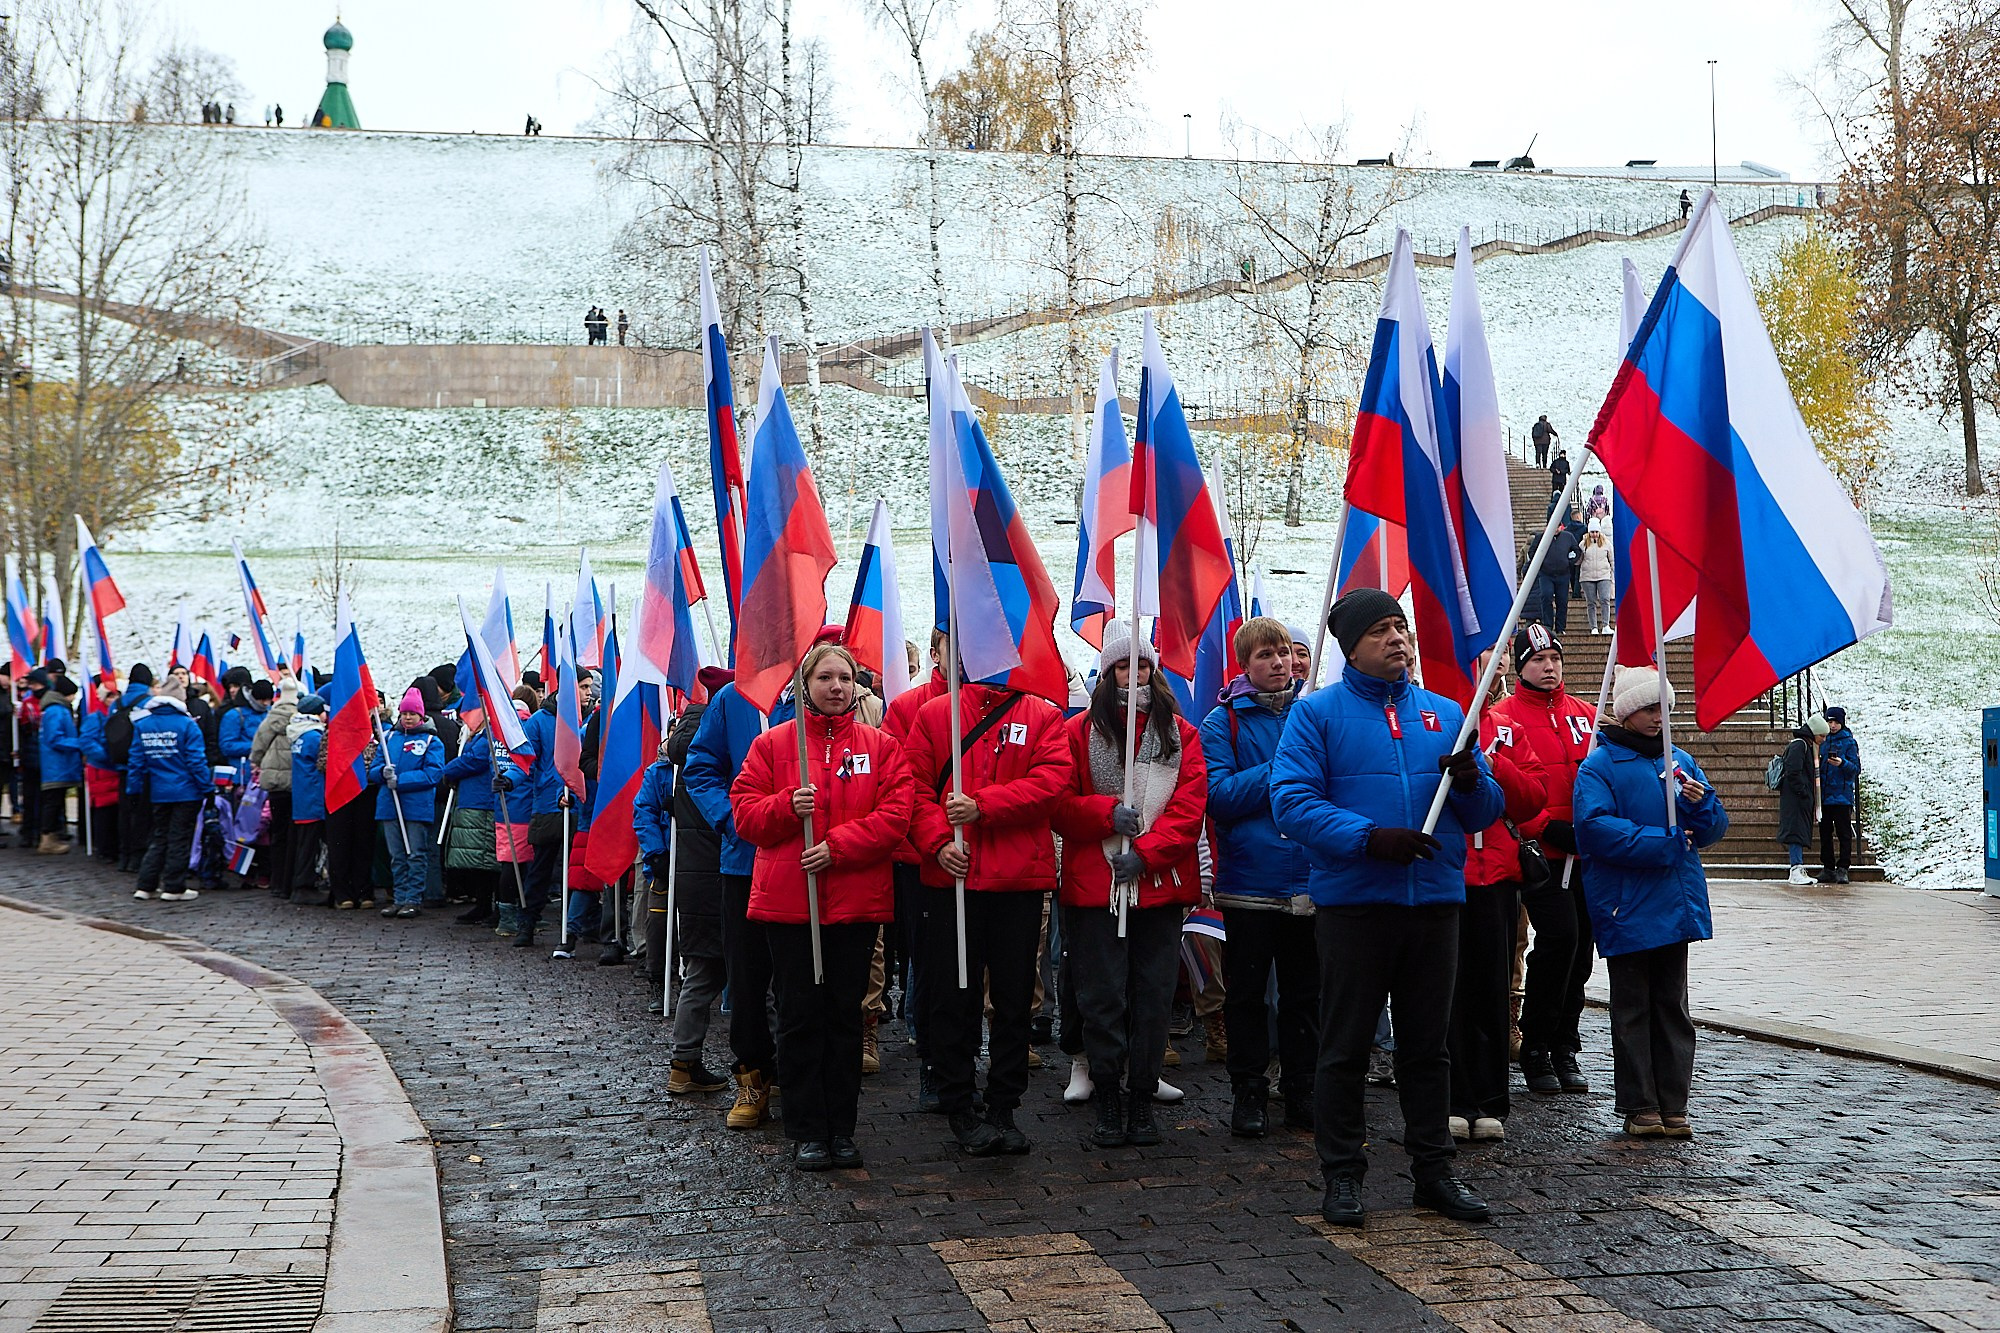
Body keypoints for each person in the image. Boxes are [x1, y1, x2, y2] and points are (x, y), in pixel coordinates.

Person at [1271, 588, 1504, 1228]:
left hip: (1433, 904)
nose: (1397, 638)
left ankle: (1434, 1172)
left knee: (1428, 1050)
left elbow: (1485, 815)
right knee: (1344, 1049)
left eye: (1400, 627)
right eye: (1379, 630)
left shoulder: (1446, 712)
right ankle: (1342, 1175)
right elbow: (1290, 802)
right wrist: (1368, 839)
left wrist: (1474, 780)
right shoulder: (1316, 715)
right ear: (1351, 646)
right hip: (1356, 908)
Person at [731, 643, 914, 1171]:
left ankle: (842, 1128)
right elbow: (745, 816)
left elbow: (895, 814)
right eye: (826, 677)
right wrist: (788, 806)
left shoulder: (881, 747)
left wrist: (840, 846)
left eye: (846, 678)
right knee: (798, 1017)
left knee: (844, 1017)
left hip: (855, 904)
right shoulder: (772, 746)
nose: (837, 687)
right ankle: (807, 1128)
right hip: (790, 905)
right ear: (805, 685)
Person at [903, 653, 1071, 1157]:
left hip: (1018, 880)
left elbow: (1052, 783)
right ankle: (958, 1102)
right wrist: (937, 842)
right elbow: (911, 790)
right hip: (951, 878)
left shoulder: (1042, 715)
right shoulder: (935, 715)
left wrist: (984, 805)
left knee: (1015, 999)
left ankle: (1004, 1102)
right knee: (953, 997)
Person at [1052, 628, 1206, 1150]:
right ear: (1108, 673)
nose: (1133, 675)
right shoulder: (1077, 732)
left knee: (1153, 994)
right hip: (1095, 887)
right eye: (1123, 666)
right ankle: (1109, 1095)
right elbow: (1059, 803)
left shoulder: (1181, 733)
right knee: (1100, 995)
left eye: (1141, 666)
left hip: (1157, 886)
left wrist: (1145, 852)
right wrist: (1103, 814)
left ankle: (1142, 1097)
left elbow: (1188, 808)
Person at [1574, 666, 1727, 1138]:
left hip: (1673, 905)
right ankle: (1640, 1103)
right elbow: (1595, 830)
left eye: (1663, 708)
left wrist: (1701, 807)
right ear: (1625, 713)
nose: (1658, 717)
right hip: (1627, 905)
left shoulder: (1678, 760)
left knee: (1672, 1007)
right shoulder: (1599, 766)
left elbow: (1714, 828)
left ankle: (1674, 1102)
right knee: (1633, 1006)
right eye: (1647, 708)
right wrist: (1664, 841)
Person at [1201, 616, 1317, 1138]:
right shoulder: (1221, 723)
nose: (1280, 664)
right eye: (1266, 656)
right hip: (1250, 881)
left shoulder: (1313, 714)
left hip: (1311, 880)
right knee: (1246, 995)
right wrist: (1279, 768)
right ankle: (1248, 1092)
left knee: (1304, 996)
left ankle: (1302, 1091)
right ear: (1245, 665)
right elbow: (1219, 797)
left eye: (1285, 654)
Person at [1490, 623, 1599, 1097]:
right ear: (1522, 667)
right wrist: (1542, 827)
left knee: (1581, 952)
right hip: (1537, 853)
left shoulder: (1587, 716)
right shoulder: (1504, 717)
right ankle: (1535, 1046)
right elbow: (1503, 791)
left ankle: (1565, 1044)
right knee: (1559, 940)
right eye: (1537, 660)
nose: (1548, 667)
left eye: (1554, 658)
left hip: (1586, 853)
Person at [684, 673, 797, 1129]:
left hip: (806, 862)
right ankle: (753, 1075)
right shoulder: (734, 699)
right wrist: (731, 818)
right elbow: (700, 765)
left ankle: (802, 1073)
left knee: (804, 980)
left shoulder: (823, 698)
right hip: (745, 863)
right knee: (748, 979)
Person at [1450, 665, 1546, 1143]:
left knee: (1491, 990)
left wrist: (1496, 765)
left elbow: (1533, 800)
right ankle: (1453, 1097)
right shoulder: (1440, 720)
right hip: (1449, 876)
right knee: (1448, 992)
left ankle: (1490, 1099)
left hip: (1498, 881)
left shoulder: (1508, 729)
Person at [637, 684, 728, 1092]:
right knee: (753, 980)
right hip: (732, 876)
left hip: (690, 881)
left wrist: (656, 852)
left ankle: (683, 1063)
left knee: (699, 975)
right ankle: (763, 1072)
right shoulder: (727, 761)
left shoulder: (667, 769)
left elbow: (643, 810)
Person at [882, 632, 952, 1110]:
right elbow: (898, 782)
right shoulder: (907, 708)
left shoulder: (1009, 703)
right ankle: (932, 1060)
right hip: (918, 857)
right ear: (934, 654)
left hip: (982, 856)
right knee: (927, 962)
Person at [127, 675, 209, 902]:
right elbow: (196, 761)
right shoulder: (187, 725)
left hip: (158, 792)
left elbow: (136, 761)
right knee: (180, 839)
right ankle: (174, 887)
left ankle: (146, 885)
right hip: (186, 791)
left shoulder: (143, 724)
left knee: (159, 837)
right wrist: (207, 787)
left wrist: (133, 790)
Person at [366, 687, 446, 918]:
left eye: (412, 713)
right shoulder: (389, 737)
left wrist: (401, 781)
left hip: (416, 807)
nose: (408, 717)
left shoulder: (432, 741)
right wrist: (383, 772)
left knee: (416, 853)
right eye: (404, 713)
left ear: (421, 715)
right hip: (390, 806)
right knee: (397, 855)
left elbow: (433, 774)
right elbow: (374, 770)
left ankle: (413, 899)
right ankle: (399, 897)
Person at [251, 679, 300, 896]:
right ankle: (290, 881)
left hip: (274, 782)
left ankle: (277, 881)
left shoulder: (272, 717)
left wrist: (258, 763)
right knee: (294, 832)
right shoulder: (301, 717)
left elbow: (258, 746)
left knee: (277, 832)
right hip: (295, 781)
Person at [106, 664, 154, 872]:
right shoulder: (149, 703)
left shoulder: (116, 703)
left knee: (124, 812)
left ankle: (124, 855)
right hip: (143, 768)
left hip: (121, 765)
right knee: (143, 813)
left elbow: (105, 733)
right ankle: (138, 857)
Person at [1777, 713, 1827, 886]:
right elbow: (1793, 771)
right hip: (1796, 799)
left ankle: (1797, 867)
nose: (1824, 739)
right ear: (1814, 733)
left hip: (1798, 798)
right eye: (1822, 735)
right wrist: (1804, 792)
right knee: (1795, 833)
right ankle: (1796, 868)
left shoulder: (1805, 745)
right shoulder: (1800, 746)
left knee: (1797, 832)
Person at [35, 675, 82, 853]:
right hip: (57, 765)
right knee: (52, 801)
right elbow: (54, 738)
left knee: (54, 801)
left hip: (57, 764)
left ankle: (51, 836)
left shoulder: (54, 709)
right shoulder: (57, 710)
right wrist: (78, 744)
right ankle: (47, 839)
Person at [289, 696, 328, 903]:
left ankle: (301, 884)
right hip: (314, 797)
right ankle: (305, 886)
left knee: (304, 844)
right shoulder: (314, 737)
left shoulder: (298, 735)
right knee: (310, 846)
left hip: (302, 797)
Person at [1817, 707, 1860, 884]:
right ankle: (1828, 867)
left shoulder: (1849, 742)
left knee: (1844, 833)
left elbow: (1856, 769)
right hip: (1825, 795)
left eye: (1836, 722)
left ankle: (1843, 867)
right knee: (1825, 833)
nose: (1833, 725)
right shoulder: (1822, 741)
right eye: (1830, 722)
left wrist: (1842, 763)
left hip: (1842, 796)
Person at [1578, 528, 1615, 634]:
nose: (1594, 534)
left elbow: (1612, 559)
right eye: (1592, 532)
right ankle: (1593, 627)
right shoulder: (1583, 544)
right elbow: (1579, 559)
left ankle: (1606, 625)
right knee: (1591, 602)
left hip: (1603, 575)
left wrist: (1612, 574)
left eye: (1596, 532)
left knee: (1605, 600)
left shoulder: (1606, 543)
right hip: (1587, 577)